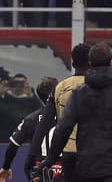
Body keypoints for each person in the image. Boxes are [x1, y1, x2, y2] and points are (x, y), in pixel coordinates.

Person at [36, 43, 112, 182]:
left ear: (91, 63)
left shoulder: (79, 93)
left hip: (88, 166)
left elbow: (64, 128)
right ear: (111, 63)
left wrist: (51, 159)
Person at [29, 43, 92, 182]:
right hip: (94, 153)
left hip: (69, 153)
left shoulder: (60, 87)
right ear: (91, 62)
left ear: (73, 63)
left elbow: (44, 125)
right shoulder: (100, 87)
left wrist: (32, 159)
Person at [0, 77, 58, 182]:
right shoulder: (70, 117)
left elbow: (13, 146)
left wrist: (6, 167)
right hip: (64, 169)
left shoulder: (31, 119)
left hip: (39, 170)